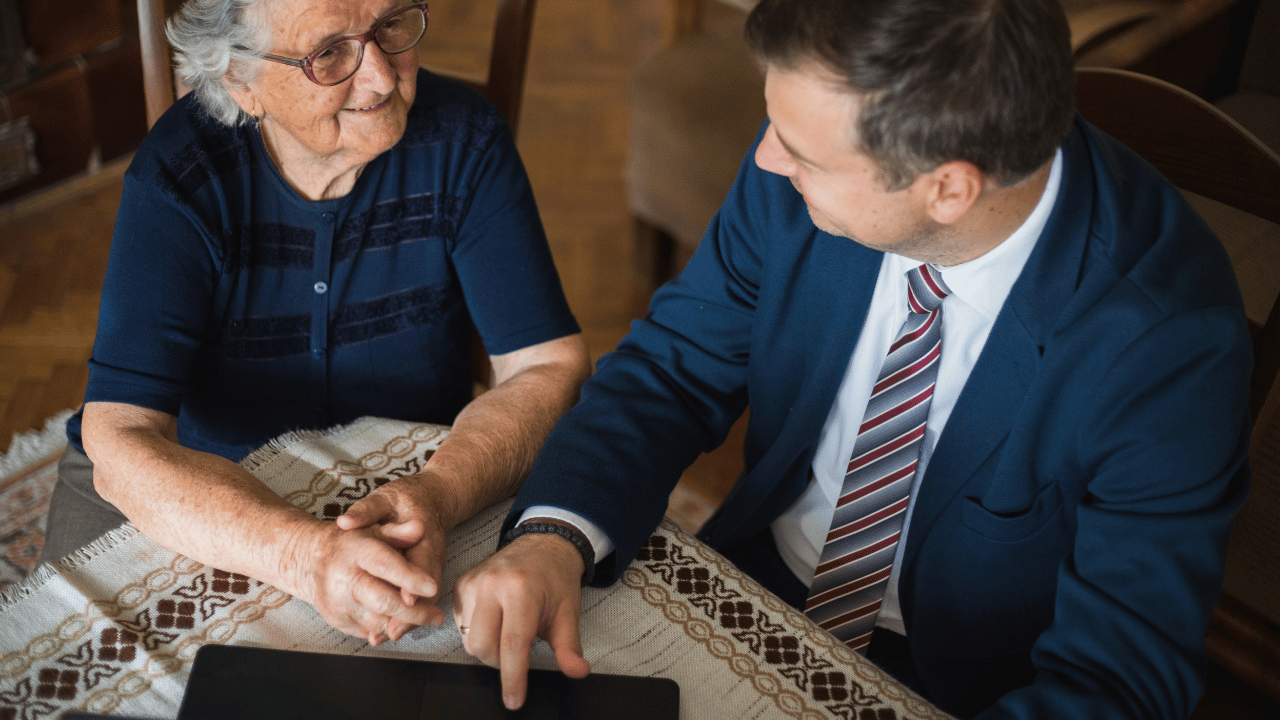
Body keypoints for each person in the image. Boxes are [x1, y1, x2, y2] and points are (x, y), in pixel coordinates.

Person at [452, 0, 1253, 717]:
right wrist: (552, 537)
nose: (766, 160)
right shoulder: (801, 169)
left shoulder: (1168, 348)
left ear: (947, 190)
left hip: (969, 689)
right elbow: (671, 368)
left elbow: (1121, 680)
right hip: (753, 589)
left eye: (800, 151)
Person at [40, 0, 591, 648]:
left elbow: (548, 364)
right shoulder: (180, 175)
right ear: (241, 81)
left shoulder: (463, 142)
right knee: (85, 667)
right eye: (329, 53)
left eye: (390, 25)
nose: (383, 77)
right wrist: (304, 555)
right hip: (207, 488)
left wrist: (440, 491)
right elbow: (121, 437)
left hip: (409, 483)